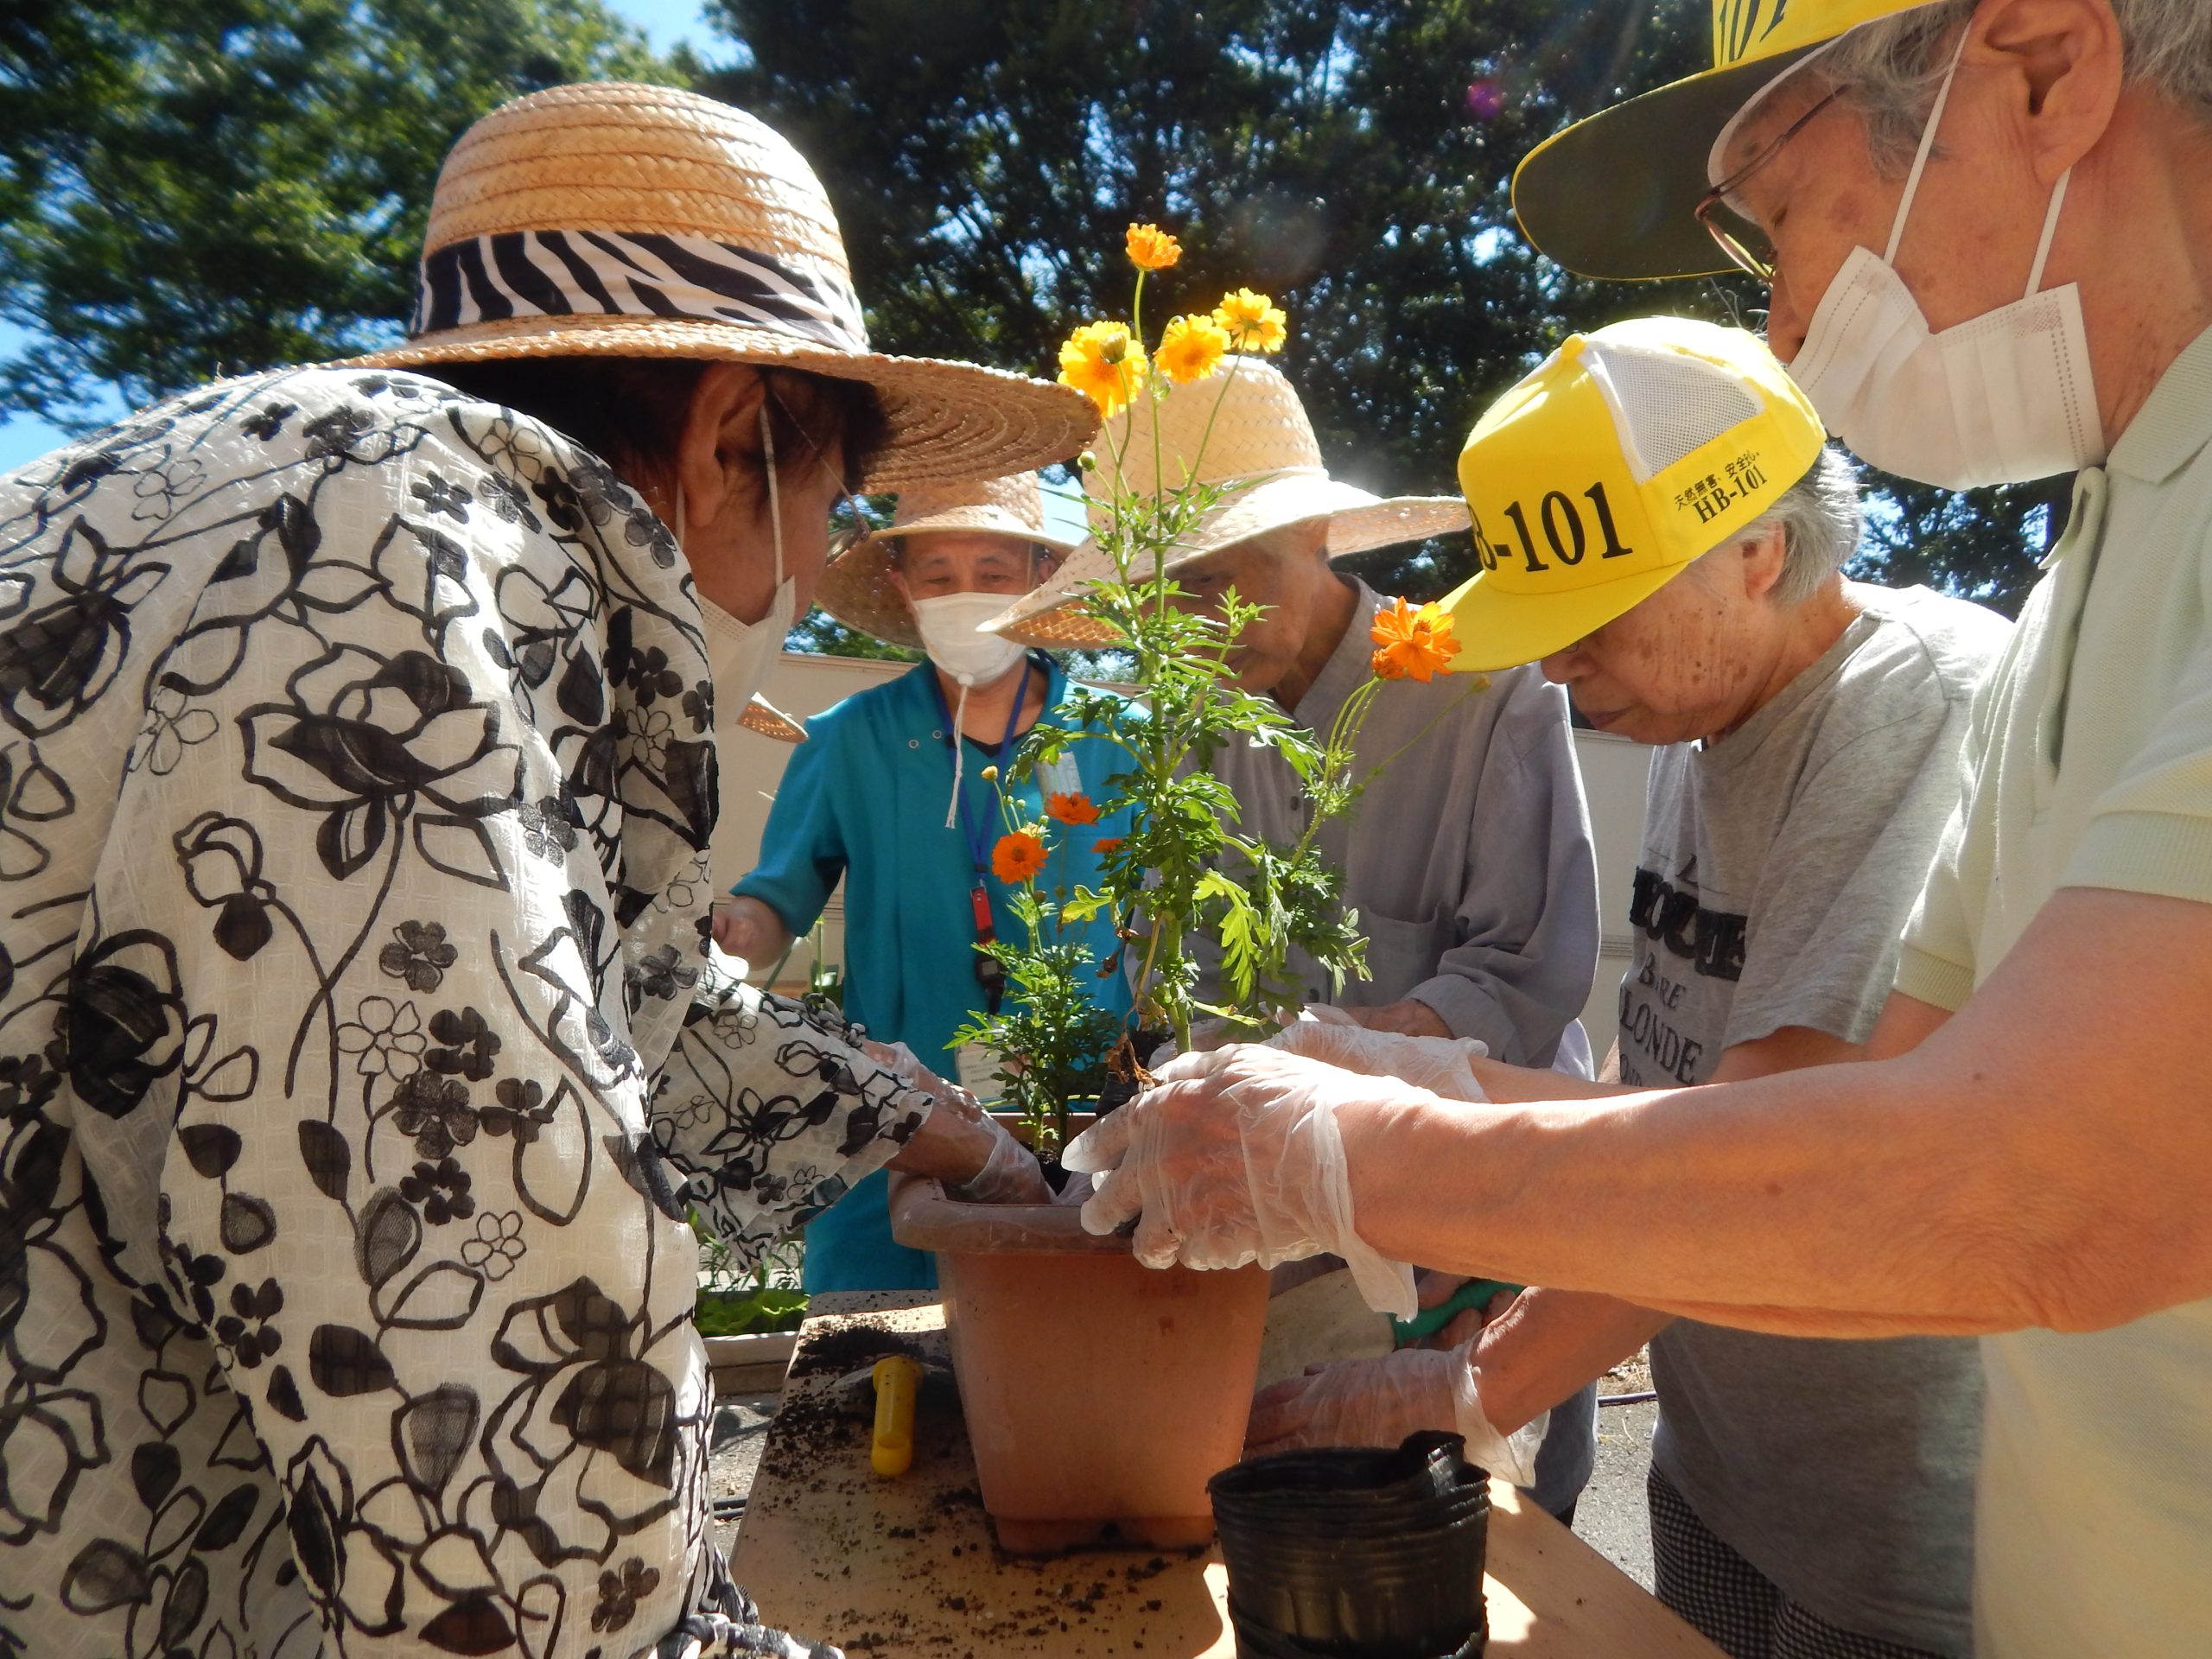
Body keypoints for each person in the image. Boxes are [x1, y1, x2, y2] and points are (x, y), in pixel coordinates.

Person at [1062, 3, 2212, 1656]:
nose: (1793, 320)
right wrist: (1422, 1111)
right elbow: (1853, 1103)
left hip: (1895, 1551)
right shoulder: (2092, 564)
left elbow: (2018, 1179)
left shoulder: (1931, 685)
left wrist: (1361, 1157)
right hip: (1832, 1512)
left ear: (2046, 66)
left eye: (1785, 214)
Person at [0, 81, 1094, 1659]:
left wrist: (930, 1123)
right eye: (837, 515)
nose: (808, 597)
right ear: (736, 436)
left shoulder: (276, 495)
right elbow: (512, 1464)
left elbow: (607, 992)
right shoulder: (390, 564)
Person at [1245, 317, 2010, 1659]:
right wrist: (1491, 1287)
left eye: (1587, 622)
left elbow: (1763, 1154)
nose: (1553, 665)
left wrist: (1471, 1383)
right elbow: (1663, 1091)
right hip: (1722, 1466)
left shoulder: (1912, 710)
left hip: (1890, 1518)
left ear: (1754, 550)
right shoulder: (1699, 713)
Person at [995, 355, 1605, 1521]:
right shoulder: (1179, 733)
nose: (1197, 627)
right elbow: (1173, 994)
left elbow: (1520, 983)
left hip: (1471, 1245)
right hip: (1274, 1269)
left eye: (1223, 580)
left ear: (1320, 533)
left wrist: (1338, 1065)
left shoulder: (1484, 695)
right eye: (1162, 598)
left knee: (1493, 1574)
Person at [714, 474, 1134, 1289]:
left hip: (1089, 1131)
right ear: (903, 589)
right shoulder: (849, 739)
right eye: (938, 576)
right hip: (899, 1128)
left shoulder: (1118, 741)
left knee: (1075, 1354)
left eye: (994, 570)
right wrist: (733, 931)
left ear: (1040, 578)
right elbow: (776, 901)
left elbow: (1174, 927)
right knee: (874, 1364)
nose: (965, 595)